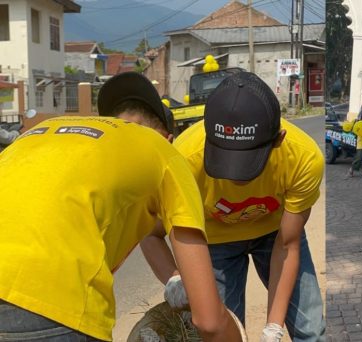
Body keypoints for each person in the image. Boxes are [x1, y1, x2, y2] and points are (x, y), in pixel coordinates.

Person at [0, 72, 243, 342]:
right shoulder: (163, 152)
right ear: (168, 137)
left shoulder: (43, 132)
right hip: (44, 301)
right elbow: (209, 321)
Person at [140, 72, 325, 342]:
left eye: (248, 163)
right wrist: (175, 279)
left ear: (278, 139)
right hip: (214, 241)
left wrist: (273, 326)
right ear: (207, 137)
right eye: (225, 160)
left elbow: (288, 244)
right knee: (219, 334)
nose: (235, 177)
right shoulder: (183, 160)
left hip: (276, 233)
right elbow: (150, 232)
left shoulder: (303, 158)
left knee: (311, 331)